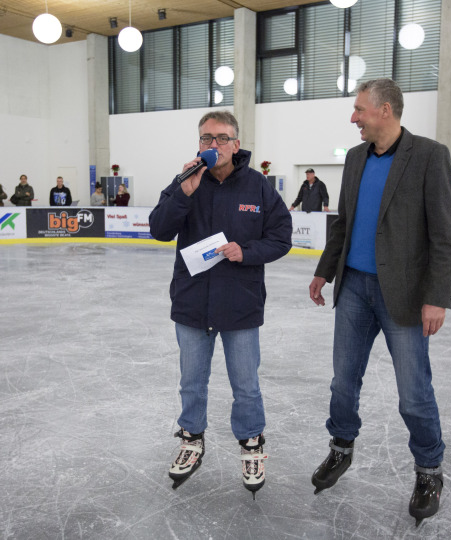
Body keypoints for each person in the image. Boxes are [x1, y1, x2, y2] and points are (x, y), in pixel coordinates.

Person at [308, 79, 451, 525]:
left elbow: (445, 236)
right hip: (354, 287)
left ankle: (429, 470)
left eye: (359, 110)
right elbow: (343, 223)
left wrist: (436, 297)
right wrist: (324, 271)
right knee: (342, 384)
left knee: (414, 394)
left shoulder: (430, 156)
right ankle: (340, 449)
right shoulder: (354, 159)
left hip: (406, 295)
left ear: (386, 110)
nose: (354, 118)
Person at [149, 110, 292, 497]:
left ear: (237, 143)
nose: (215, 146)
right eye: (207, 139)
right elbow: (159, 230)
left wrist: (245, 251)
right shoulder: (185, 181)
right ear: (199, 143)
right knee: (191, 383)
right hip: (192, 303)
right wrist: (184, 193)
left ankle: (251, 444)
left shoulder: (258, 186)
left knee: (246, 385)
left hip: (239, 304)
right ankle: (192, 439)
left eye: (223, 138)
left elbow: (281, 237)